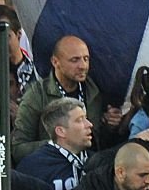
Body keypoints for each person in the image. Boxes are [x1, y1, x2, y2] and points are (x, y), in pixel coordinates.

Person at [13, 35, 122, 164]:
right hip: (53, 169)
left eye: (86, 59)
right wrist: (58, 145)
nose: (83, 66)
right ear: (55, 62)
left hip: (90, 167)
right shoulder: (37, 95)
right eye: (74, 60)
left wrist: (109, 126)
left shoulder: (94, 91)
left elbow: (99, 143)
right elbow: (17, 149)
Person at [16, 97, 93, 190]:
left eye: (86, 118)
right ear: (61, 131)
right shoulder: (33, 167)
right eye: (80, 120)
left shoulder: (97, 162)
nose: (89, 124)